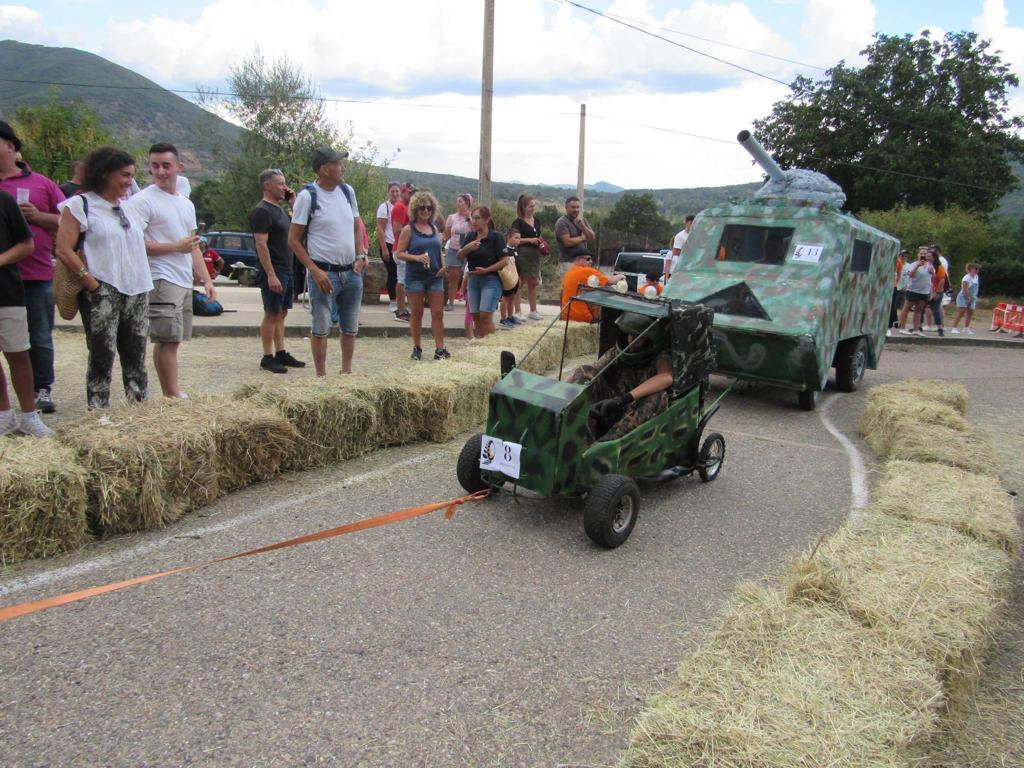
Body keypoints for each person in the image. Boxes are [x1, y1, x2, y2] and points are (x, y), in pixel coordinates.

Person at [55, 147, 153, 409]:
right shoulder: (80, 205)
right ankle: (99, 414)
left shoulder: (130, 208)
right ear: (104, 173)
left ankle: (140, 412)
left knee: (136, 356)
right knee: (102, 355)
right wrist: (90, 282)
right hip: (103, 290)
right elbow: (63, 249)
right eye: (124, 175)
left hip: (138, 289)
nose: (129, 181)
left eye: (131, 176)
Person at [123, 143, 215, 400]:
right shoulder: (142, 201)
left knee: (175, 338)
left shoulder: (185, 204)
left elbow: (193, 245)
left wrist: (206, 279)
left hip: (183, 279)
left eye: (166, 165)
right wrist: (175, 246)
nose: (161, 171)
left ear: (178, 167)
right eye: (155, 166)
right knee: (166, 339)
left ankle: (172, 391)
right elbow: (135, 243)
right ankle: (171, 394)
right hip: (160, 277)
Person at [0, 120, 65, 415]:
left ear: (11, 147)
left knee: (39, 336)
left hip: (35, 272)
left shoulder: (41, 183)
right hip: (3, 279)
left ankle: (42, 390)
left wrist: (39, 216)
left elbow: (67, 221)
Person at [288, 147, 368, 376]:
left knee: (350, 327)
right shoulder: (307, 197)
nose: (342, 167)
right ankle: (321, 377)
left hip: (351, 271)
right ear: (324, 169)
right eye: (338, 163)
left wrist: (360, 255)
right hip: (324, 273)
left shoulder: (347, 191)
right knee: (321, 327)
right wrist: (314, 270)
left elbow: (356, 225)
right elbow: (293, 240)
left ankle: (346, 372)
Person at [568, 312, 672, 441]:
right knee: (584, 370)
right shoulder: (618, 352)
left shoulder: (660, 356)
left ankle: (604, 443)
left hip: (635, 407)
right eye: (630, 336)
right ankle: (571, 419)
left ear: (648, 340)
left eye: (639, 338)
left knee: (659, 395)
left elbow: (666, 377)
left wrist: (624, 399)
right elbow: (593, 370)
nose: (632, 342)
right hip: (610, 403)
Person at [0, 190, 53, 436]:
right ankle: (4, 415)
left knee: (18, 353)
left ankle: (30, 416)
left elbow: (26, 244)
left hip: (6, 291)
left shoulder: (4, 200)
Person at [252, 168, 304, 374]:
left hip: (286, 267)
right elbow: (261, 244)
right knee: (271, 313)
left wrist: (293, 202)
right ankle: (267, 356)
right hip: (274, 269)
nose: (285, 187)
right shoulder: (262, 211)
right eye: (280, 184)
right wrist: (271, 274)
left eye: (284, 183)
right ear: (267, 185)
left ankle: (281, 351)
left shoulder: (279, 209)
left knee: (282, 313)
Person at [396, 189, 449, 360]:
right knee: (417, 314)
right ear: (415, 210)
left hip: (435, 276)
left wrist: (443, 265)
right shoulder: (408, 229)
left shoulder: (434, 229)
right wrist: (416, 258)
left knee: (438, 314)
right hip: (416, 276)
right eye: (422, 208)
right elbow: (399, 253)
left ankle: (440, 349)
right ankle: (417, 347)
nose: (425, 211)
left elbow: (438, 251)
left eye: (428, 208)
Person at [458, 205, 509, 339]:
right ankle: (481, 347)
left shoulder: (496, 237)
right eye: (472, 218)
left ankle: (492, 347)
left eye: (477, 218)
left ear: (487, 220)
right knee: (476, 317)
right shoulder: (470, 236)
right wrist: (468, 248)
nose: (474, 221)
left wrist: (487, 270)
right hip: (473, 280)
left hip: (491, 280)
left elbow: (505, 261)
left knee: (485, 316)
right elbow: (460, 256)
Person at [560, 252, 625, 323]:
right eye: (588, 259)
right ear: (578, 259)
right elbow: (609, 282)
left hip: (566, 316)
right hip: (582, 317)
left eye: (591, 259)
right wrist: (621, 276)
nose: (591, 261)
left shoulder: (569, 273)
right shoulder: (586, 271)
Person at [509, 194, 545, 321]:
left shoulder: (537, 221)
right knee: (520, 283)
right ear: (523, 207)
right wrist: (530, 239)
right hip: (523, 255)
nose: (533, 208)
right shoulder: (518, 222)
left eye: (534, 206)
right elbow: (515, 240)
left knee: (533, 283)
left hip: (535, 255)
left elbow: (538, 236)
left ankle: (533, 310)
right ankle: (517, 311)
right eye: (530, 206)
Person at [443, 193, 473, 311]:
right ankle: (451, 302)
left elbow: (476, 230)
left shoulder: (473, 217)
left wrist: (470, 218)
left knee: (470, 275)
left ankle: (470, 301)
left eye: (461, 201)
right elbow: (446, 233)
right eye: (457, 201)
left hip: (469, 249)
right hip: (454, 248)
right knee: (453, 276)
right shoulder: (451, 217)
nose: (458, 204)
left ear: (467, 203)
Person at [390, 182, 415, 322]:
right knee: (402, 281)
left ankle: (403, 309)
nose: (411, 195)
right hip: (401, 248)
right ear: (403, 192)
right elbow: (396, 229)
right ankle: (400, 310)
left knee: (404, 280)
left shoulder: (406, 207)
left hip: (405, 248)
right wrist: (411, 229)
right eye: (409, 192)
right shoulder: (400, 207)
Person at [897, 247, 935, 337]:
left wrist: (933, 272)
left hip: (924, 291)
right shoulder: (913, 264)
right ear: (918, 255)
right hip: (913, 290)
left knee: (918, 311)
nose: (923, 255)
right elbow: (910, 275)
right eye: (921, 253)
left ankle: (916, 329)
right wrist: (917, 266)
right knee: (906, 308)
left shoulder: (930, 265)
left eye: (925, 254)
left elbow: (933, 278)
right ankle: (902, 328)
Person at [376, 181, 401, 313]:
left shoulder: (404, 207)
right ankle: (393, 300)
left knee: (401, 275)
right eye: (392, 191)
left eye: (397, 191)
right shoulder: (384, 207)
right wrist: (384, 248)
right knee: (393, 274)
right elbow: (380, 228)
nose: (395, 193)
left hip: (401, 245)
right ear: (388, 192)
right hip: (389, 244)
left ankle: (401, 300)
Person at [555, 195, 595, 260]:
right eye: (573, 207)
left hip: (583, 261)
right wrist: (583, 237)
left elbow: (592, 237)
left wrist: (583, 227)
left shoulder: (582, 220)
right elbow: (567, 242)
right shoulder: (562, 222)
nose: (576, 210)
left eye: (577, 207)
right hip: (568, 262)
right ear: (566, 207)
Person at [498, 229, 522, 330]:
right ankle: (503, 319)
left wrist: (519, 278)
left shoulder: (515, 250)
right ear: (508, 237)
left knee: (512, 297)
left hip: (515, 278)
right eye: (516, 238)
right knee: (506, 298)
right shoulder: (505, 250)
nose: (518, 240)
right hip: (507, 279)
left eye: (519, 238)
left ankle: (510, 316)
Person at [950, 263, 981, 334]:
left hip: (972, 297)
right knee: (961, 312)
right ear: (970, 269)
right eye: (975, 269)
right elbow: (965, 289)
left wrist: (973, 298)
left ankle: (966, 328)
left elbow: (975, 289)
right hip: (963, 297)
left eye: (978, 269)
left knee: (970, 313)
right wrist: (967, 298)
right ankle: (954, 328)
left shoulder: (976, 277)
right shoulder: (966, 278)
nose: (977, 270)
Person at [887, 249, 908, 336]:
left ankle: (889, 326)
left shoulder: (898, 262)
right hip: (885, 286)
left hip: (894, 287)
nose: (904, 257)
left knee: (892, 307)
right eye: (903, 255)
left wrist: (896, 283)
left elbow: (899, 273)